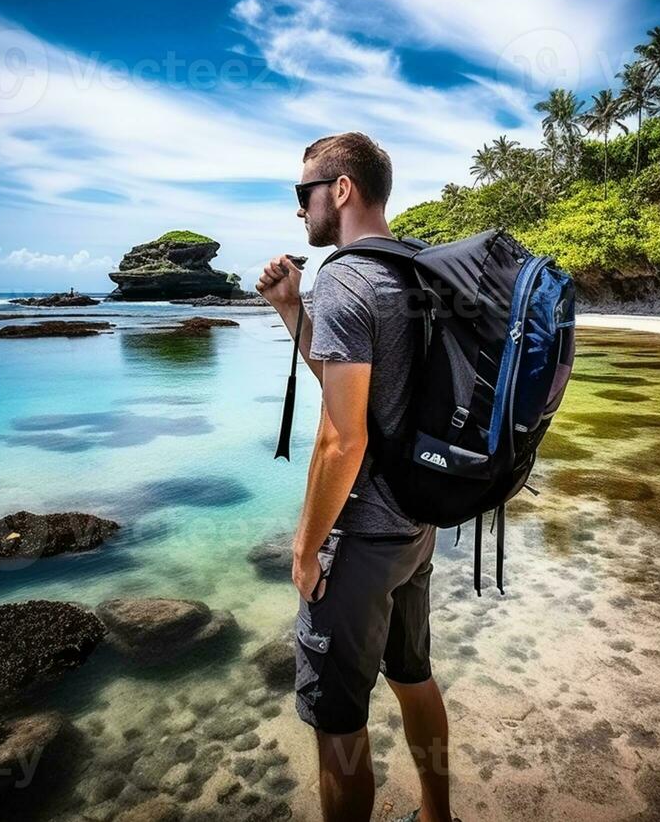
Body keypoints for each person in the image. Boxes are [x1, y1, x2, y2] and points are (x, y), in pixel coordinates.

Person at [256, 133, 460, 822]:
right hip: (416, 525)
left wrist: (306, 549)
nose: (299, 212)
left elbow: (343, 435)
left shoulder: (343, 276)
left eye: (302, 192)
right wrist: (291, 308)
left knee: (338, 729)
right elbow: (364, 391)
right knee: (413, 677)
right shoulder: (414, 270)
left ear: (340, 189)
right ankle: (438, 817)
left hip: (363, 538)